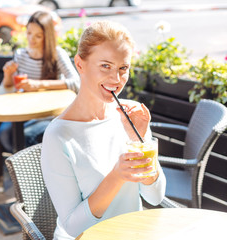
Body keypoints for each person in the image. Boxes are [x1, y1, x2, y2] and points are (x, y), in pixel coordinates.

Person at [41, 20, 166, 239]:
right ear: (80, 64)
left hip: (130, 233)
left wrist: (139, 140)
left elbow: (155, 197)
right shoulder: (58, 135)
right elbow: (72, 226)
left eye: (123, 68)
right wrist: (117, 176)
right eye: (105, 66)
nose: (116, 79)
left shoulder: (130, 116)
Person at [0, 11, 80, 152]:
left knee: (28, 135)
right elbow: (6, 86)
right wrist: (8, 74)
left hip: (48, 113)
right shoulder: (21, 54)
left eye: (38, 36)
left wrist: (38, 85)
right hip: (23, 111)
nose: (31, 39)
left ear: (47, 37)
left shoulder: (57, 54)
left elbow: (76, 83)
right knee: (4, 134)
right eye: (29, 33)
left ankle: (29, 169)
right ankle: (23, 167)